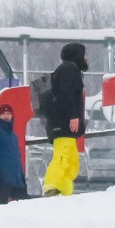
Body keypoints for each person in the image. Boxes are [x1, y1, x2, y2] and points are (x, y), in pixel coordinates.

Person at [42, 43, 87, 196]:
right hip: (63, 124)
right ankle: (51, 186)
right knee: (63, 156)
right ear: (77, 55)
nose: (86, 58)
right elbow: (66, 94)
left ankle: (64, 191)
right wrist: (73, 115)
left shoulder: (67, 69)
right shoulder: (69, 69)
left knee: (72, 162)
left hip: (61, 124)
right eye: (84, 54)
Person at [0, 102, 28, 204]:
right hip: (3, 179)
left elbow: (17, 158)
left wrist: (21, 178)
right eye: (3, 114)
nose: (6, 116)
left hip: (17, 181)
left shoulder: (13, 136)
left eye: (8, 114)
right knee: (3, 212)